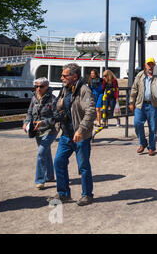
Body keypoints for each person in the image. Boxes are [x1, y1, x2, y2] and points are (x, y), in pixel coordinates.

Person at [48, 63, 96, 206]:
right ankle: (63, 194)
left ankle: (87, 195)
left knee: (83, 166)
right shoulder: (66, 89)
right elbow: (59, 106)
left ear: (74, 76)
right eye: (62, 75)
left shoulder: (84, 90)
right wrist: (60, 104)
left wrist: (81, 130)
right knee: (59, 161)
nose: (61, 77)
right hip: (66, 134)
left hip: (80, 135)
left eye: (64, 75)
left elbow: (91, 111)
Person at [129, 57, 157, 156]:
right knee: (137, 123)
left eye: (152, 64)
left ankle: (151, 148)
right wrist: (131, 102)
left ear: (154, 66)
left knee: (152, 128)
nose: (150, 66)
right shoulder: (140, 76)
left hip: (154, 105)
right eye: (148, 64)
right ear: (145, 65)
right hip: (140, 104)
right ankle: (143, 143)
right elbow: (134, 89)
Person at [23, 77, 57, 190]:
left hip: (50, 130)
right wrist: (26, 122)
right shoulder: (34, 98)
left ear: (47, 87)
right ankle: (50, 176)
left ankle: (40, 180)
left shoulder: (53, 99)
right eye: (36, 86)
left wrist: (43, 122)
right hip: (37, 131)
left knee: (41, 153)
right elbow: (29, 113)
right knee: (45, 153)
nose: (38, 88)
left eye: (41, 86)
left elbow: (56, 117)